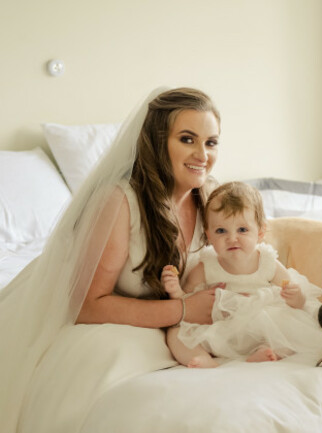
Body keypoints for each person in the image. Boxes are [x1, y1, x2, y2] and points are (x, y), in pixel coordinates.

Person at [0, 87, 221, 432]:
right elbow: (87, 305)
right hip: (85, 316)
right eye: (188, 139)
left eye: (211, 142)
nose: (202, 155)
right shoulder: (119, 201)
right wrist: (183, 310)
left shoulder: (210, 198)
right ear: (158, 141)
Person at [162, 181, 322, 368]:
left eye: (242, 230)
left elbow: (296, 299)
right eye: (221, 230)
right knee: (176, 333)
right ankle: (203, 358)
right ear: (209, 235)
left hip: (260, 326)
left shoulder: (266, 261)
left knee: (293, 330)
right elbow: (187, 301)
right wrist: (175, 290)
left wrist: (295, 297)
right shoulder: (207, 265)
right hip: (222, 327)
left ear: (260, 232)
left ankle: (266, 351)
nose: (232, 238)